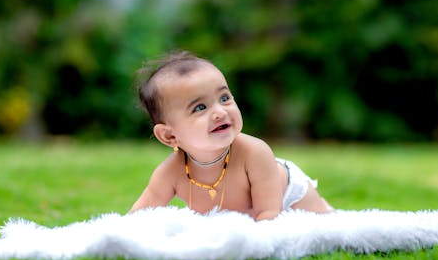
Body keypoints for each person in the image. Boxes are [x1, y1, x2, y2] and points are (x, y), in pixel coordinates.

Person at [130, 51, 333, 221]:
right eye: (200, 107)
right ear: (169, 136)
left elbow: (269, 216)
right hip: (240, 215)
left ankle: (326, 209)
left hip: (286, 197)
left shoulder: (255, 153)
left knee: (322, 223)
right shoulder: (171, 172)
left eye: (224, 98)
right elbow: (138, 216)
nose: (220, 112)